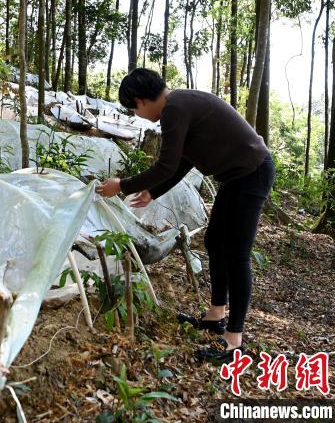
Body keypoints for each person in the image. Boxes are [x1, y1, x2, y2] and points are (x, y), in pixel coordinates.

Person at [95, 68, 275, 364]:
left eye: (133, 109)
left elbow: (166, 165)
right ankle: (216, 315)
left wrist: (122, 185)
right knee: (216, 242)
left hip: (252, 172)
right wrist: (153, 192)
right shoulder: (178, 105)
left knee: (237, 253)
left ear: (140, 100)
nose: (137, 115)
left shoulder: (175, 109)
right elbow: (182, 162)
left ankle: (233, 341)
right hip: (236, 176)